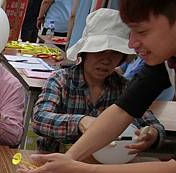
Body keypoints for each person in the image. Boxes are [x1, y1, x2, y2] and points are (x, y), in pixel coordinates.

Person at [21, 0, 176, 173]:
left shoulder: (121, 84)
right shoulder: (161, 63)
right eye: (131, 32)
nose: (132, 43)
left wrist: (75, 168)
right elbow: (121, 111)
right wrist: (70, 159)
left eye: (142, 31)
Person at [32, 9, 166, 153]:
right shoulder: (61, 81)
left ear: (122, 58)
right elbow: (40, 119)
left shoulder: (124, 88)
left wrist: (152, 134)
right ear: (85, 53)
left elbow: (152, 124)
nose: (106, 60)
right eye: (99, 51)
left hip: (104, 167)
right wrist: (80, 122)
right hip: (55, 159)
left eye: (114, 53)